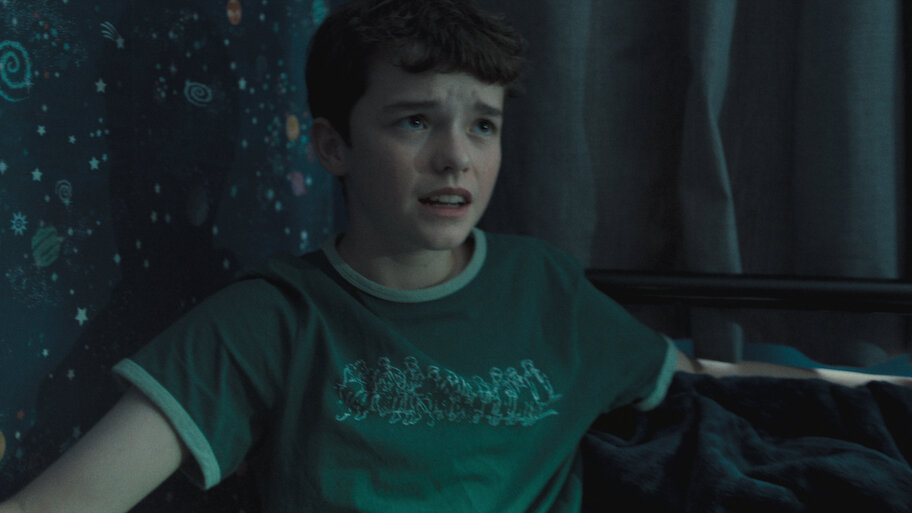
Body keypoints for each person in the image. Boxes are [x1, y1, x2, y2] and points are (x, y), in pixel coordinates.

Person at [1, 1, 909, 512]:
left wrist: (866, 386)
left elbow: (702, 380)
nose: (456, 160)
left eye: (484, 126)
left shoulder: (542, 285)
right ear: (332, 145)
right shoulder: (271, 319)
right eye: (413, 122)